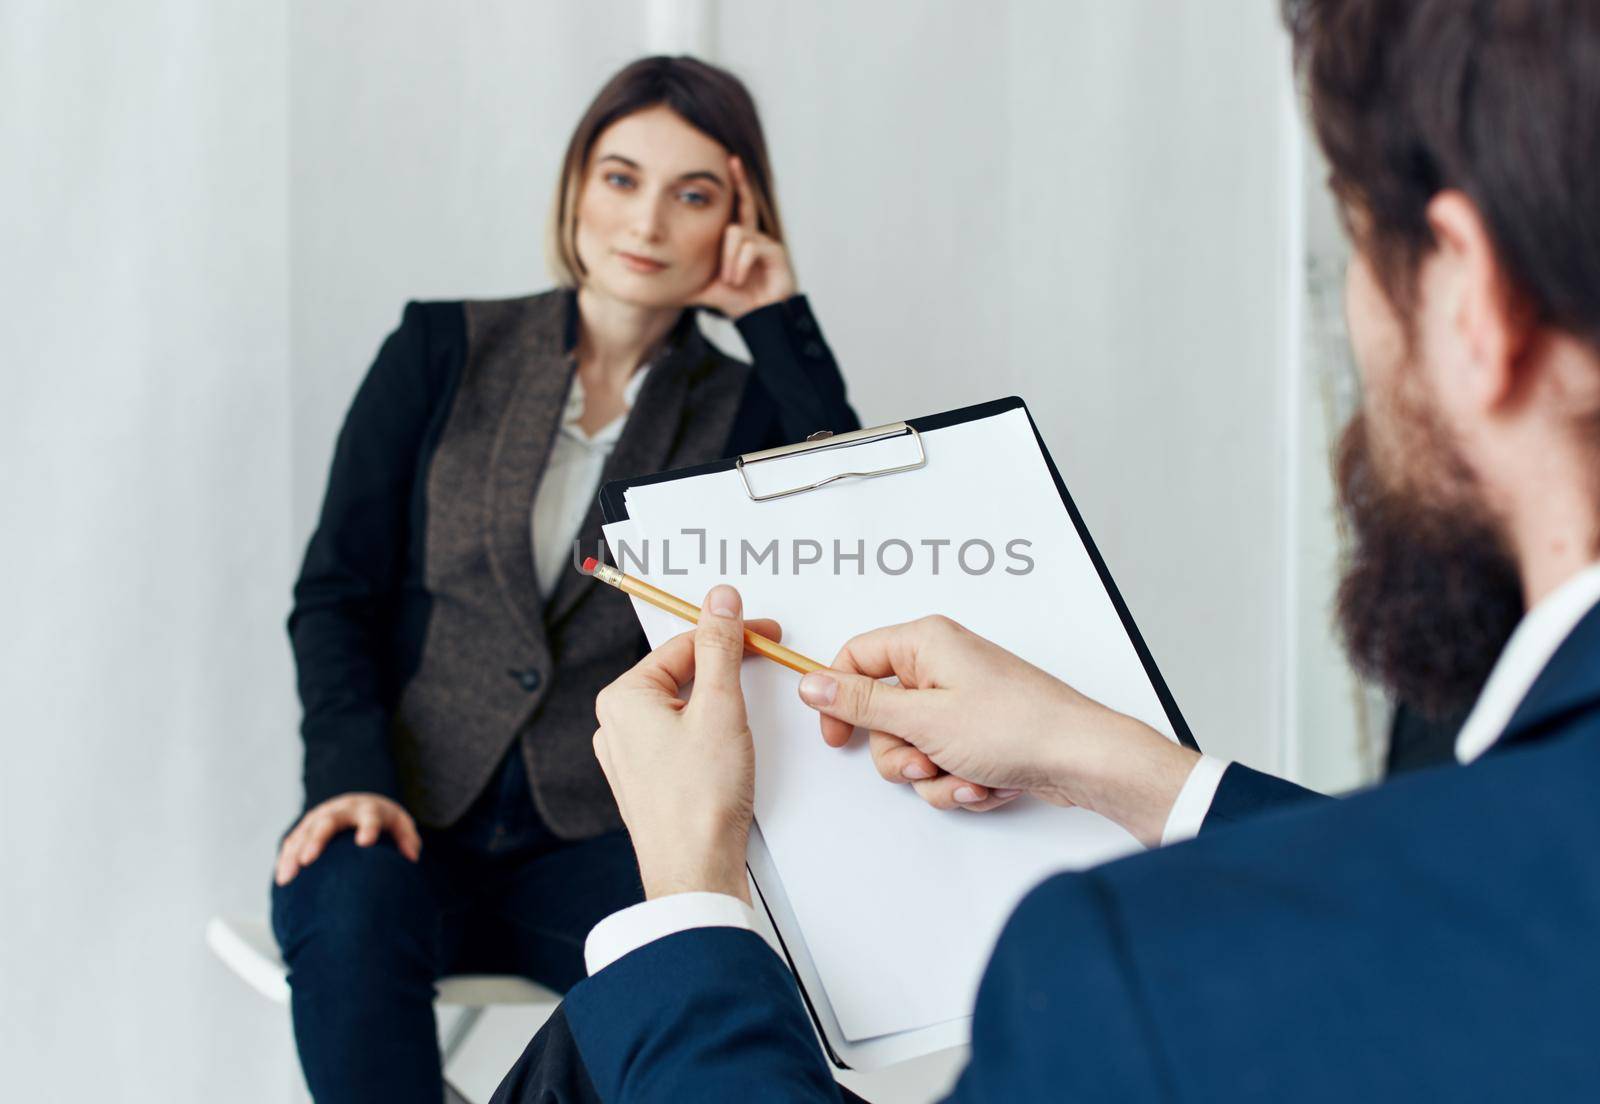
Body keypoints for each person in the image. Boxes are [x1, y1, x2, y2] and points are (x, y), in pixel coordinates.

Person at [491, 1, 1600, 1100]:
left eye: (1357, 248)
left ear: (1473, 300)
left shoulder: (1122, 978)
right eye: (621, 177)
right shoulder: (456, 352)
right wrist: (1109, 757)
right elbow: (1465, 905)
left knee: (591, 1053)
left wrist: (689, 894)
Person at [271, 56, 858, 1104]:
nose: (646, 221)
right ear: (576, 185)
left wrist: (776, 316)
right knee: (344, 898)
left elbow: (838, 514)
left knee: (711, 976)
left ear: (739, 218)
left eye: (694, 195)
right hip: (409, 814)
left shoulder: (743, 409)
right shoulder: (438, 349)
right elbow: (337, 596)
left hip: (598, 834)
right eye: (620, 176)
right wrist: (348, 777)